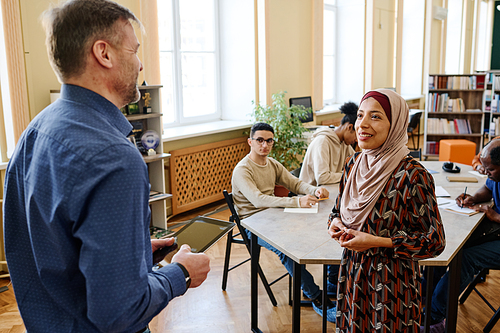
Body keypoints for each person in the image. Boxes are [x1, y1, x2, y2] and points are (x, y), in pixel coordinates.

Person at [3, 1, 210, 332]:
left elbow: (51, 246)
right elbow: (118, 313)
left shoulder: (34, 131)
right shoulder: (114, 158)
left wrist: (134, 254)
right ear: (104, 53)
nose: (141, 65)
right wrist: (180, 273)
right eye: (135, 51)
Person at [327, 89, 446, 331]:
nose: (363, 124)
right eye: (360, 116)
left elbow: (434, 242)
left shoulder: (413, 175)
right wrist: (335, 222)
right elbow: (338, 209)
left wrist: (377, 241)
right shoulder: (353, 164)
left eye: (376, 117)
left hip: (392, 283)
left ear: (396, 124)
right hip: (352, 274)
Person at [231, 122, 335, 321]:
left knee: (323, 227)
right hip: (252, 224)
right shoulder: (242, 170)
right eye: (260, 140)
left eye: (269, 140)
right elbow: (258, 199)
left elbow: (293, 182)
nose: (265, 145)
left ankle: (331, 283)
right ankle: (316, 296)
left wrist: (314, 190)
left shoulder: (272, 163)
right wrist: (297, 201)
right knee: (286, 248)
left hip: (273, 216)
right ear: (250, 142)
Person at [428, 139, 500, 332]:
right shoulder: (495, 176)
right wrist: (474, 198)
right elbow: (488, 187)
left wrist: (496, 216)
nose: (485, 172)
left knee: (466, 259)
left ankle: (434, 317)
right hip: (496, 232)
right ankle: (422, 301)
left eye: (490, 169)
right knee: (450, 245)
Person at [299, 101, 358, 186]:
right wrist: (348, 174)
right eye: (357, 135)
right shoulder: (322, 142)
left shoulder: (344, 143)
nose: (357, 140)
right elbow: (322, 178)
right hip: (311, 194)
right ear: (349, 127)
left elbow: (357, 164)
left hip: (328, 189)